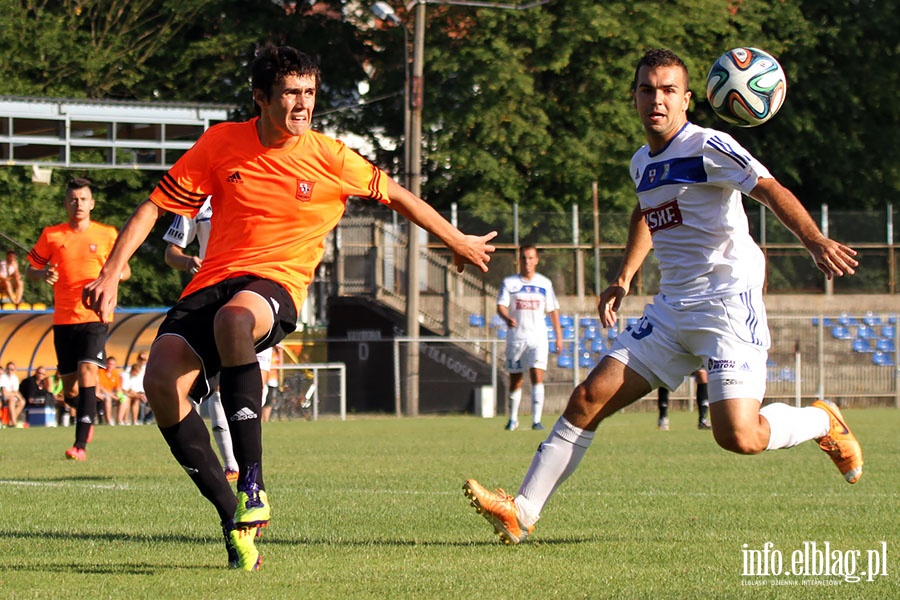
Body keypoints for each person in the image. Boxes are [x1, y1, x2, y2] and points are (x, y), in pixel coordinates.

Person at [82, 43, 496, 571]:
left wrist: (455, 239)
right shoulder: (220, 143)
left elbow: (398, 196)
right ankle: (233, 520)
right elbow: (154, 207)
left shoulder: (331, 156)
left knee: (236, 319)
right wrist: (113, 270)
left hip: (274, 284)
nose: (303, 103)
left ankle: (253, 481)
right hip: (210, 282)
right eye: (290, 93)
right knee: (160, 383)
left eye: (310, 92)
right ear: (260, 98)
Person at [463, 48, 862, 545]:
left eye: (669, 90)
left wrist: (815, 240)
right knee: (588, 397)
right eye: (648, 89)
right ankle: (521, 511)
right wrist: (625, 276)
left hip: (727, 304)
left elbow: (769, 188)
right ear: (634, 97)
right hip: (672, 310)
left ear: (688, 99)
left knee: (739, 437)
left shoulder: (710, 146)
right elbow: (647, 212)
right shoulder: (641, 163)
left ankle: (820, 419)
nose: (658, 99)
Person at [162, 196, 274, 481]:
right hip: (213, 298)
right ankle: (234, 466)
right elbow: (170, 252)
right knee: (223, 387)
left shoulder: (262, 184)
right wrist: (188, 261)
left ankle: (246, 462)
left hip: (259, 295)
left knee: (253, 388)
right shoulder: (197, 200)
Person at [26, 177, 131, 459]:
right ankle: (87, 409)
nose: (78, 204)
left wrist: (109, 277)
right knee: (71, 387)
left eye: (83, 199)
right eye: (73, 199)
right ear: (65, 203)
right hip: (63, 319)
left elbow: (126, 271)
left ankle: (80, 445)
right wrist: (43, 274)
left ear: (92, 203)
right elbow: (31, 270)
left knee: (88, 370)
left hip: (95, 315)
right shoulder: (52, 235)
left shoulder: (107, 234)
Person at [497, 244, 563, 431]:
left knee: (537, 375)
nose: (527, 262)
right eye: (524, 258)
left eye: (530, 258)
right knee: (516, 379)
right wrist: (506, 317)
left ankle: (536, 420)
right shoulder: (510, 283)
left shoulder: (544, 283)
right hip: (516, 337)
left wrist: (559, 337)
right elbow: (500, 305)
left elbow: (553, 310)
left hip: (538, 338)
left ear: (536, 260)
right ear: (519, 260)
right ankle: (513, 419)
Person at [97, 356, 125, 426]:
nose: (110, 366)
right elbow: (100, 387)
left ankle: (119, 420)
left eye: (112, 364)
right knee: (108, 399)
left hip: (111, 393)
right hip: (101, 393)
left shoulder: (115, 374)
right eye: (109, 364)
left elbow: (118, 387)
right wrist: (112, 396)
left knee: (124, 399)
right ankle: (108, 421)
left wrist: (119, 395)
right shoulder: (100, 372)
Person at [0, 362, 26, 427]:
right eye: (8, 369)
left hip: (12, 396)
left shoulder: (15, 378)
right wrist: (13, 394)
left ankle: (10, 422)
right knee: (12, 400)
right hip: (3, 397)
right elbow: (4, 392)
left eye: (12, 369)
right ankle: (14, 422)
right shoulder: (3, 377)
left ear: (15, 370)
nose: (10, 371)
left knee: (22, 402)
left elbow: (16, 391)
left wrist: (20, 398)